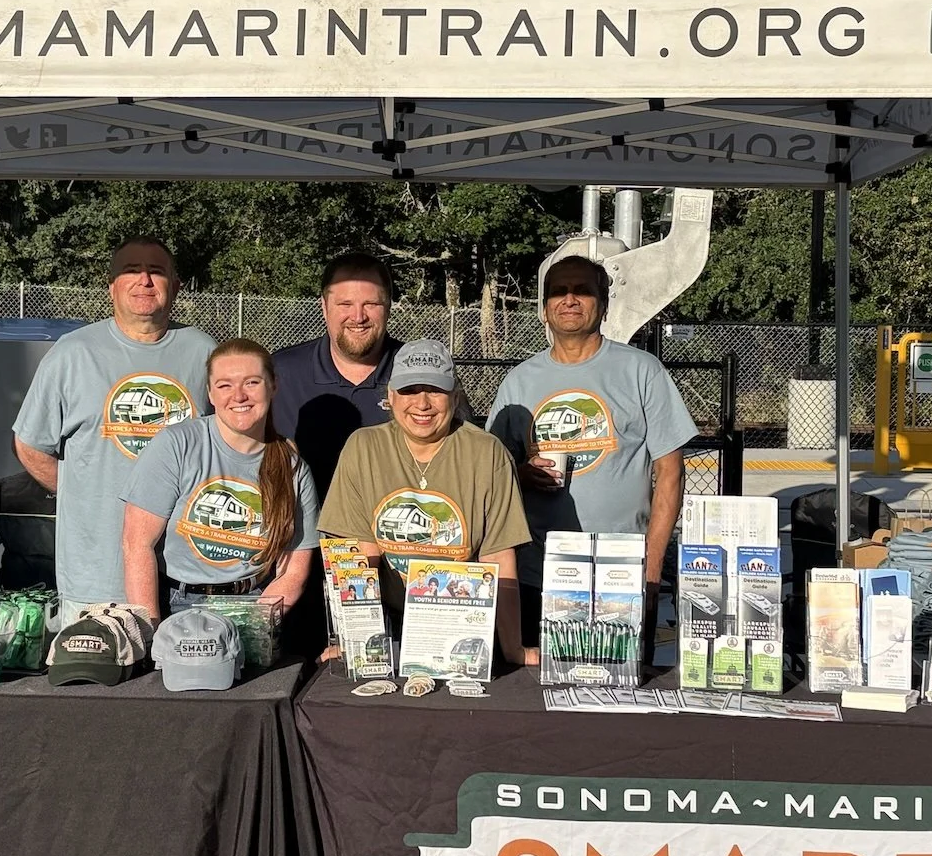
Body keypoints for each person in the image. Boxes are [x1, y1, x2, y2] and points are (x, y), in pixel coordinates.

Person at [487, 254, 696, 652]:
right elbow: (490, 474)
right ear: (544, 308)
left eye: (582, 290)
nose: (569, 299)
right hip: (538, 577)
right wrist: (519, 472)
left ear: (604, 303)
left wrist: (650, 568)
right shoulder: (519, 381)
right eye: (558, 292)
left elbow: (670, 473)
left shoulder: (642, 371)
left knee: (625, 699)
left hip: (620, 575)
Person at [14, 237, 215, 622]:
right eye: (131, 271)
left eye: (157, 271)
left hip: (186, 575)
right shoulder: (74, 352)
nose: (144, 279)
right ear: (112, 286)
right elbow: (29, 444)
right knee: (96, 680)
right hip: (95, 577)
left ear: (176, 284)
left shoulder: (202, 351)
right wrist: (80, 492)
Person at [318, 339, 531, 668]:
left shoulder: (488, 453)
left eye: (435, 390)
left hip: (463, 628)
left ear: (455, 396)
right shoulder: (363, 448)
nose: (422, 403)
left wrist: (514, 649)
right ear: (390, 397)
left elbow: (499, 557)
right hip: (389, 626)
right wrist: (359, 641)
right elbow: (362, 559)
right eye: (409, 390)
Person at [121, 339, 319, 629]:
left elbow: (293, 573)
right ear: (211, 393)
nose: (238, 396)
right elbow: (136, 545)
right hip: (176, 603)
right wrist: (152, 631)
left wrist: (251, 630)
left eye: (252, 382)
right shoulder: (177, 444)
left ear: (273, 386)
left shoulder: (292, 468)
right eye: (225, 385)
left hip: (253, 605)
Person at [271, 251, 403, 500]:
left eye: (370, 304)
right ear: (324, 306)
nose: (358, 317)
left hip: (391, 531)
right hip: (303, 532)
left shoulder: (419, 376)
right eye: (345, 305)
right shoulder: (281, 373)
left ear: (388, 306)